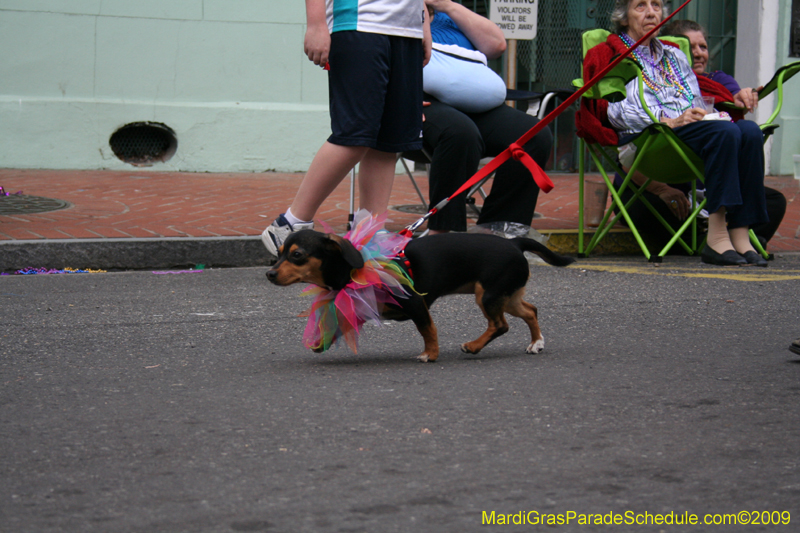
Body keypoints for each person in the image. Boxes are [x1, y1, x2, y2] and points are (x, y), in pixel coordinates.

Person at [586, 0, 769, 266]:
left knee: (750, 131)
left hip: (688, 135)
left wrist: (699, 113)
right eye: (640, 6)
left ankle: (740, 233)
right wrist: (669, 119)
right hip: (650, 141)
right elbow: (613, 112)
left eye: (656, 5)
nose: (651, 12)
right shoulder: (612, 54)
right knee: (724, 132)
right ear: (624, 17)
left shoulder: (675, 55)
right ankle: (716, 239)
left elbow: (694, 100)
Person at [261, 0, 432, 256]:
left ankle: (370, 232)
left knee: (389, 141)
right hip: (359, 22)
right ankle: (289, 223)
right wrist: (316, 23)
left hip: (408, 30)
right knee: (354, 136)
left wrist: (423, 22)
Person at [418, 0, 553, 234]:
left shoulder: (449, 17)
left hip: (475, 106)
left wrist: (446, 5)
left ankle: (497, 232)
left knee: (534, 134)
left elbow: (496, 45)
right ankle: (444, 235)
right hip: (422, 104)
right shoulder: (395, 16)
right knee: (460, 133)